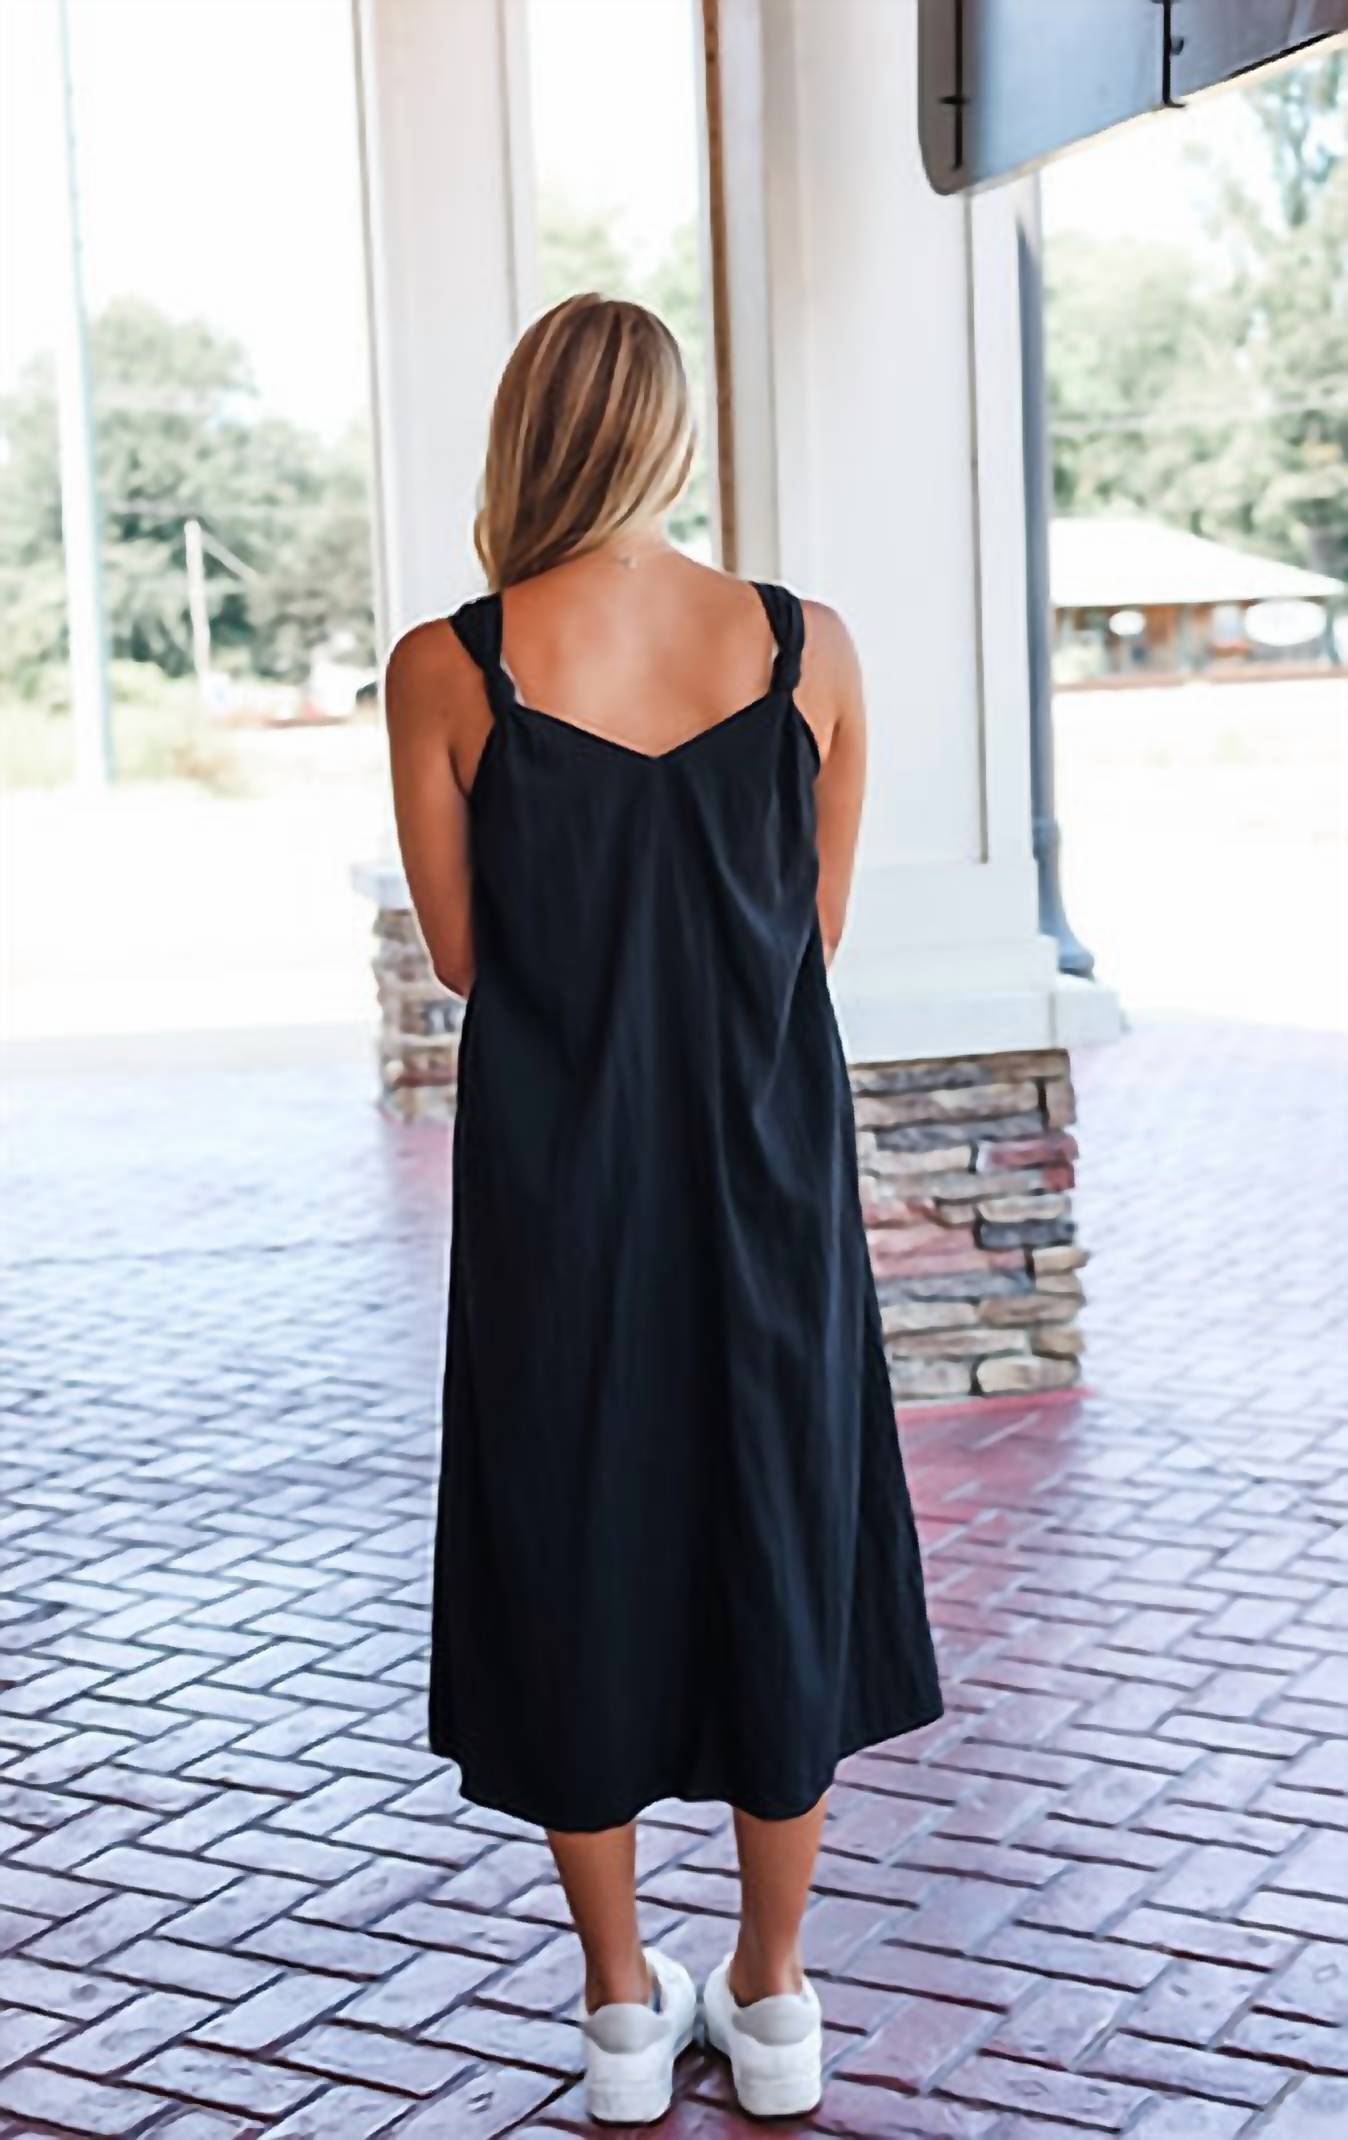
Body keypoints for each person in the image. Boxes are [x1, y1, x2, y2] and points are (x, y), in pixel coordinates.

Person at [385, 293, 942, 2125]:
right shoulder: (805, 645)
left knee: (572, 1539)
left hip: (560, 1182)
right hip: (767, 1172)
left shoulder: (447, 667)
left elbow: (465, 953)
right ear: (672, 434)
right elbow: (813, 932)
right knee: (779, 1524)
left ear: (525, 435)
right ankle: (773, 1995)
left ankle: (624, 2010)